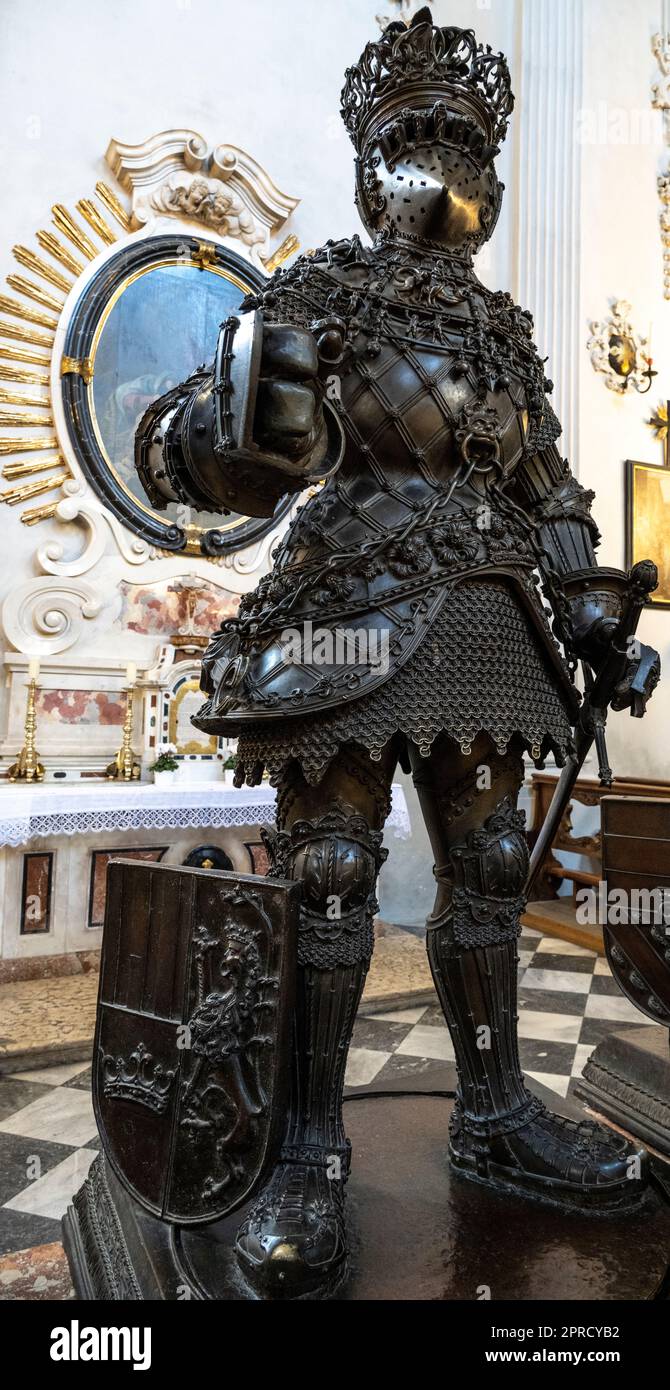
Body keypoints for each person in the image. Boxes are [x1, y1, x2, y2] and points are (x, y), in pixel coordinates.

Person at [135, 8, 657, 1300]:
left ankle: (491, 1105)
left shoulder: (505, 335)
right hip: (348, 608)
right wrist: (224, 432)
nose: (441, 167)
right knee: (327, 872)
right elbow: (212, 436)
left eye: (460, 142)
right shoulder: (320, 286)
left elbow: (548, 484)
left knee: (485, 864)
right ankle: (305, 1148)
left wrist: (591, 600)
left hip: (483, 614)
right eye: (415, 138)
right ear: (371, 159)